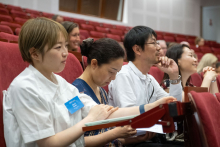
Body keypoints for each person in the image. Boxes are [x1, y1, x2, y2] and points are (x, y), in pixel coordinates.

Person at [3, 18, 176, 147]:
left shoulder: (62, 84)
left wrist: (155, 106)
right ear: (34, 54)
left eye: (65, 46)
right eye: (58, 48)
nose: (65, 53)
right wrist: (89, 121)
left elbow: (102, 112)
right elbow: (48, 144)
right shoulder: (25, 88)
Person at [73, 38, 158, 146]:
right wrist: (115, 133)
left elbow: (106, 137)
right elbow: (74, 143)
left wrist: (136, 139)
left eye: (117, 73)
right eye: (111, 71)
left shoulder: (102, 91)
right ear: (94, 63)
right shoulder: (74, 93)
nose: (113, 78)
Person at [108, 26, 182, 108]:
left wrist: (174, 76)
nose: (159, 48)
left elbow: (174, 106)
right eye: (153, 43)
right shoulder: (123, 75)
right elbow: (129, 116)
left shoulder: (150, 79)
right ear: (138, 49)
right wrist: (156, 105)